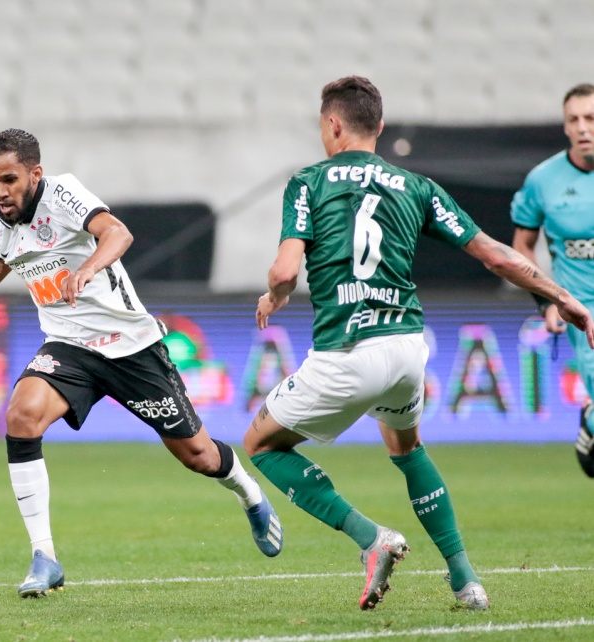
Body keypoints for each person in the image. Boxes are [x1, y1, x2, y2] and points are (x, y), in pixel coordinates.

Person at [243, 76, 594, 612]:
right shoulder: (417, 186)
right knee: (407, 448)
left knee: (261, 445)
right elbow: (497, 255)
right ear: (379, 127)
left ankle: (370, 537)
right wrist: (560, 295)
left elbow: (286, 271)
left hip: (346, 351)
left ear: (332, 124)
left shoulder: (309, 182)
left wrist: (273, 296)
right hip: (407, 349)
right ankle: (466, 580)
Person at [0, 128, 283, 598]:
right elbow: (0, 260)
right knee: (21, 415)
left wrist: (88, 268)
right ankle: (44, 556)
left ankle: (248, 492)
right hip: (69, 347)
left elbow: (117, 232)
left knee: (200, 456)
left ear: (35, 173)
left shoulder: (63, 192)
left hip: (131, 347)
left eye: (9, 179)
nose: (1, 191)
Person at [511, 83, 594, 477]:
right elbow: (521, 248)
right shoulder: (543, 180)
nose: (583, 128)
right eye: (574, 120)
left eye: (591, 118)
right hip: (585, 316)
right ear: (564, 126)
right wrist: (546, 302)